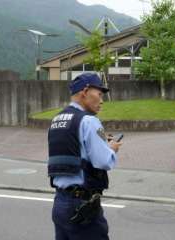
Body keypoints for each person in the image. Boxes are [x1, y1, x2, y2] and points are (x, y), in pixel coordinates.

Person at [47, 72, 122, 240]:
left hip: (60, 203)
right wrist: (112, 148)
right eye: (99, 94)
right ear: (85, 91)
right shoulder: (89, 121)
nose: (102, 100)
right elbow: (104, 162)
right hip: (82, 206)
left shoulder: (57, 120)